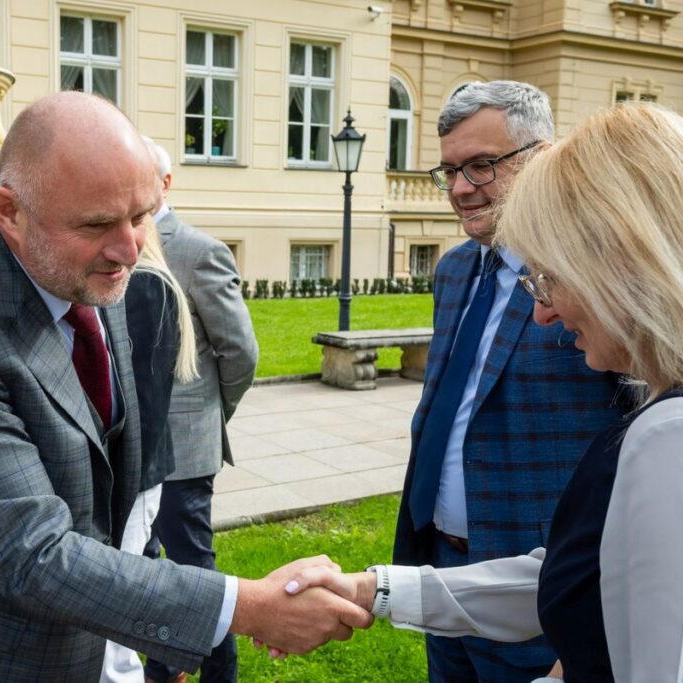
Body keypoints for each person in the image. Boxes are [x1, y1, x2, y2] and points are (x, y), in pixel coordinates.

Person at [0, 91, 369, 682]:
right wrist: (248, 609)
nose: (130, 249)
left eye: (142, 215)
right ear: (9, 211)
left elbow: (109, 470)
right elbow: (33, 554)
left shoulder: (78, 265)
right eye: (99, 224)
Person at [286, 101, 683, 683]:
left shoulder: (664, 435)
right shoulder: (454, 270)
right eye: (449, 171)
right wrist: (376, 589)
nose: (542, 309)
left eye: (553, 276)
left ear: (625, 260)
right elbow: (589, 565)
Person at [391, 81, 624, 681]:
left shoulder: (595, 274)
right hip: (443, 567)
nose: (462, 188)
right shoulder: (454, 268)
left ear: (542, 156)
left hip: (545, 589)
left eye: (481, 165)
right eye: (449, 171)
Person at [141, 137, 258, 683]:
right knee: (141, 576)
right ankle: (162, 672)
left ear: (165, 183)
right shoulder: (112, 242)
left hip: (183, 451)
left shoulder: (196, 250)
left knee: (194, 575)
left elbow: (240, 353)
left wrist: (210, 416)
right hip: (128, 447)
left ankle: (219, 675)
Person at [101, 213, 198, 683]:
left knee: (111, 629)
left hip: (129, 478)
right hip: (133, 476)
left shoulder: (142, 285)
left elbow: (137, 405)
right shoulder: (144, 281)